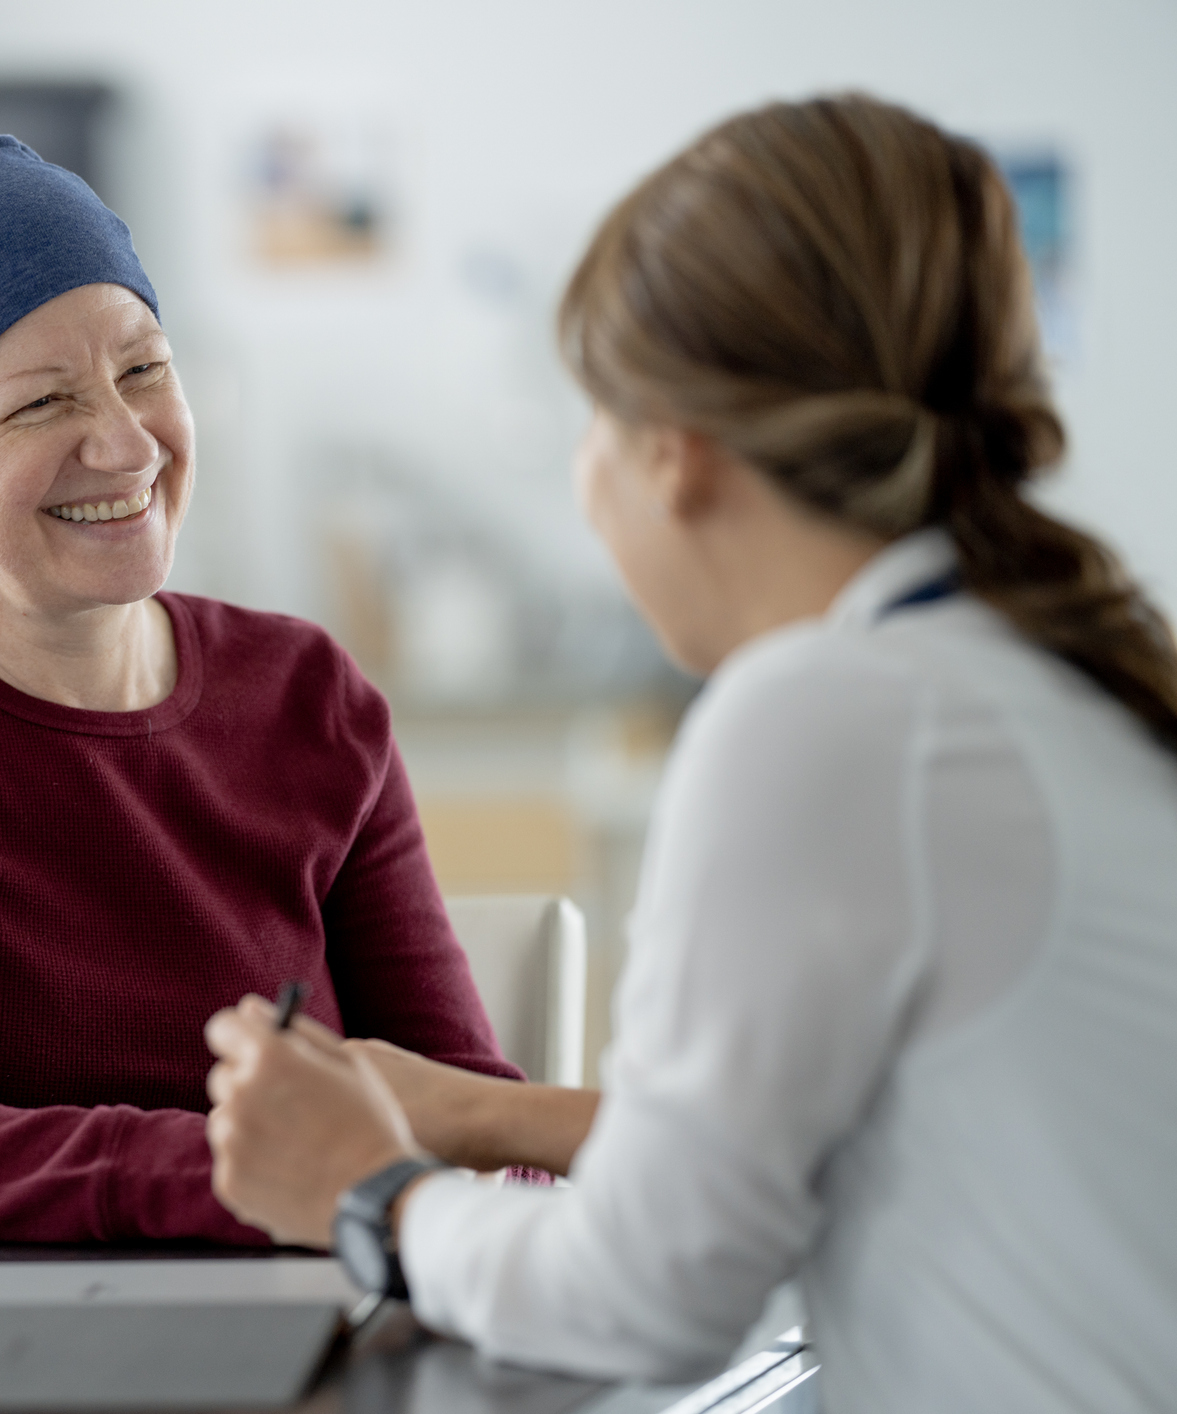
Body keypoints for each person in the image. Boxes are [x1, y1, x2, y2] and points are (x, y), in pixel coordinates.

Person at [204, 93, 1177, 1409]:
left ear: (675, 453)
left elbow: (646, 1292)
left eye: (590, 421)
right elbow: (802, 1148)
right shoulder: (1033, 670)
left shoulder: (831, 713)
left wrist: (368, 1193)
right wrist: (476, 1112)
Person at [0, 136, 523, 1245]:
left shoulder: (308, 695)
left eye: (145, 371)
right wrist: (239, 1174)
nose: (129, 446)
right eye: (40, 404)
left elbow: (475, 1121)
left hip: (308, 1313)